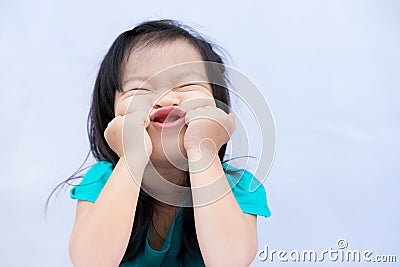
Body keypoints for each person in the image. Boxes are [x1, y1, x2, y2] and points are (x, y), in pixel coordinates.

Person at [66, 19, 271, 266]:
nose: (166, 99)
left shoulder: (239, 187)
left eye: (187, 84)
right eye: (140, 89)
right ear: (112, 117)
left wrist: (202, 150)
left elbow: (230, 260)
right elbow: (90, 261)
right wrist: (132, 156)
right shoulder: (102, 182)